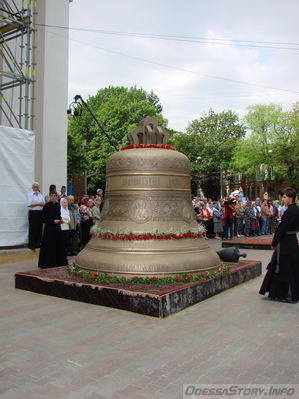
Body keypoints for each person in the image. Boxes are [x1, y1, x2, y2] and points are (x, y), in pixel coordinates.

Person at [259, 187, 299, 303]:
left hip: (286, 242)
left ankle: (286, 294)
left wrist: (274, 242)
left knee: (284, 267)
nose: (283, 199)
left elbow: (282, 229)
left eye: (285, 197)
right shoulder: (296, 209)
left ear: (290, 198)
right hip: (291, 240)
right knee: (291, 266)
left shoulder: (290, 211)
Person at [38, 191, 68, 268]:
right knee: (49, 246)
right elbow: (43, 218)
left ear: (57, 197)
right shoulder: (46, 206)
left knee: (58, 245)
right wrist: (52, 221)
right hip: (49, 230)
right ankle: (48, 264)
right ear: (50, 197)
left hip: (57, 229)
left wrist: (60, 220)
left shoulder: (58, 205)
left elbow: (58, 215)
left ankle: (58, 263)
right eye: (52, 196)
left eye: (55, 196)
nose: (53, 197)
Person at [27, 182, 45, 251]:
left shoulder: (40, 194)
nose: (36, 188)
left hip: (40, 212)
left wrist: (40, 204)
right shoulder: (30, 194)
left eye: (37, 187)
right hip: (33, 213)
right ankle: (31, 244)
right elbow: (29, 204)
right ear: (32, 187)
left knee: (39, 228)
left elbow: (43, 203)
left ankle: (38, 243)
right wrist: (38, 204)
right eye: (35, 187)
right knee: (33, 228)